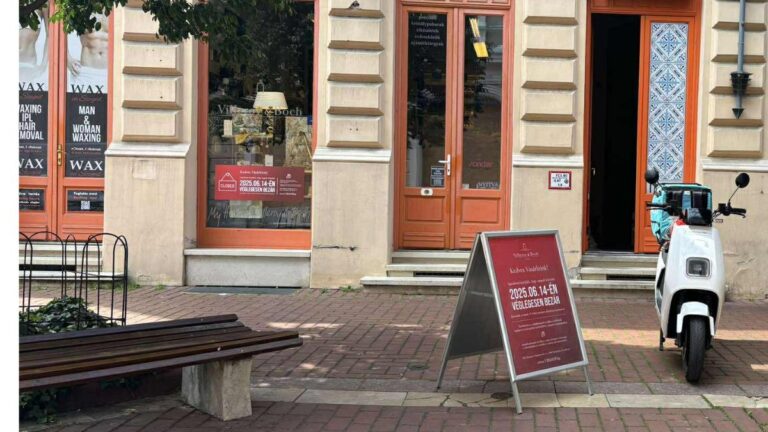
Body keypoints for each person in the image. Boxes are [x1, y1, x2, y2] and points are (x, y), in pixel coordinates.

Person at [68, 12, 108, 89]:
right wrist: (67, 59)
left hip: (111, 72)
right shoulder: (82, 7)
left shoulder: (118, 8)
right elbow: (57, 28)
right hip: (85, 71)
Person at [19, 5, 49, 87]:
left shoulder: (43, 4)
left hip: (29, 64)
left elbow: (50, 35)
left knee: (28, 94)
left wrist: (43, 65)